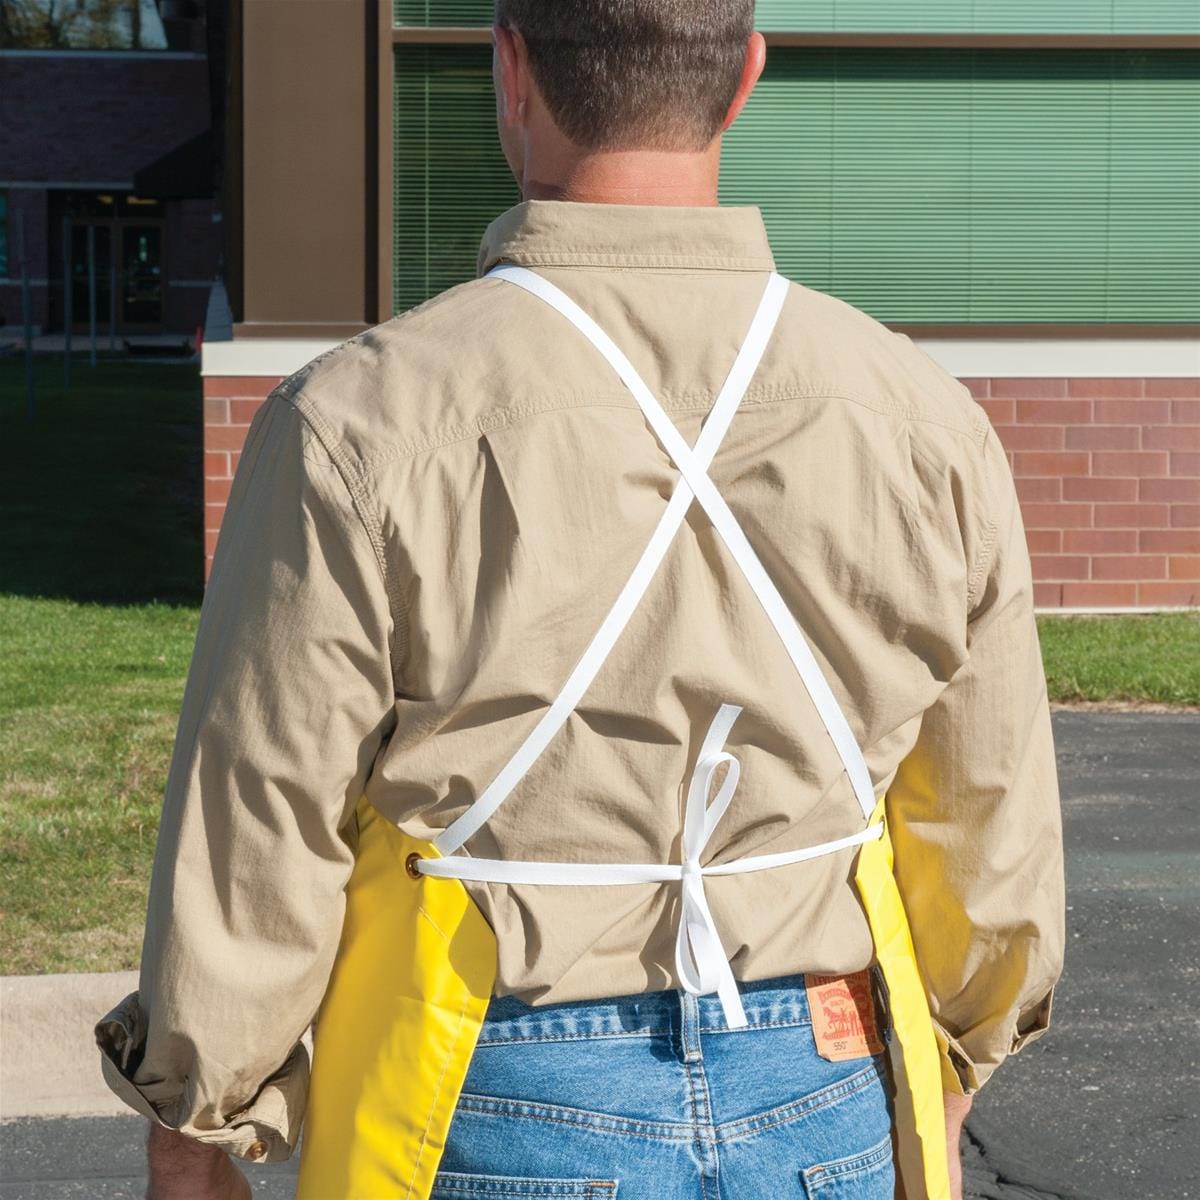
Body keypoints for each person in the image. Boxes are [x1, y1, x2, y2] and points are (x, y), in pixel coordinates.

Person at [95, 3, 1066, 1198]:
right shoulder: (923, 419)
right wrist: (963, 1049)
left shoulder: (361, 423)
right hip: (828, 1083)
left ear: (511, 70)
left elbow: (262, 809)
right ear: (746, 77)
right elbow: (985, 802)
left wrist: (196, 1126)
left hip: (499, 1092)